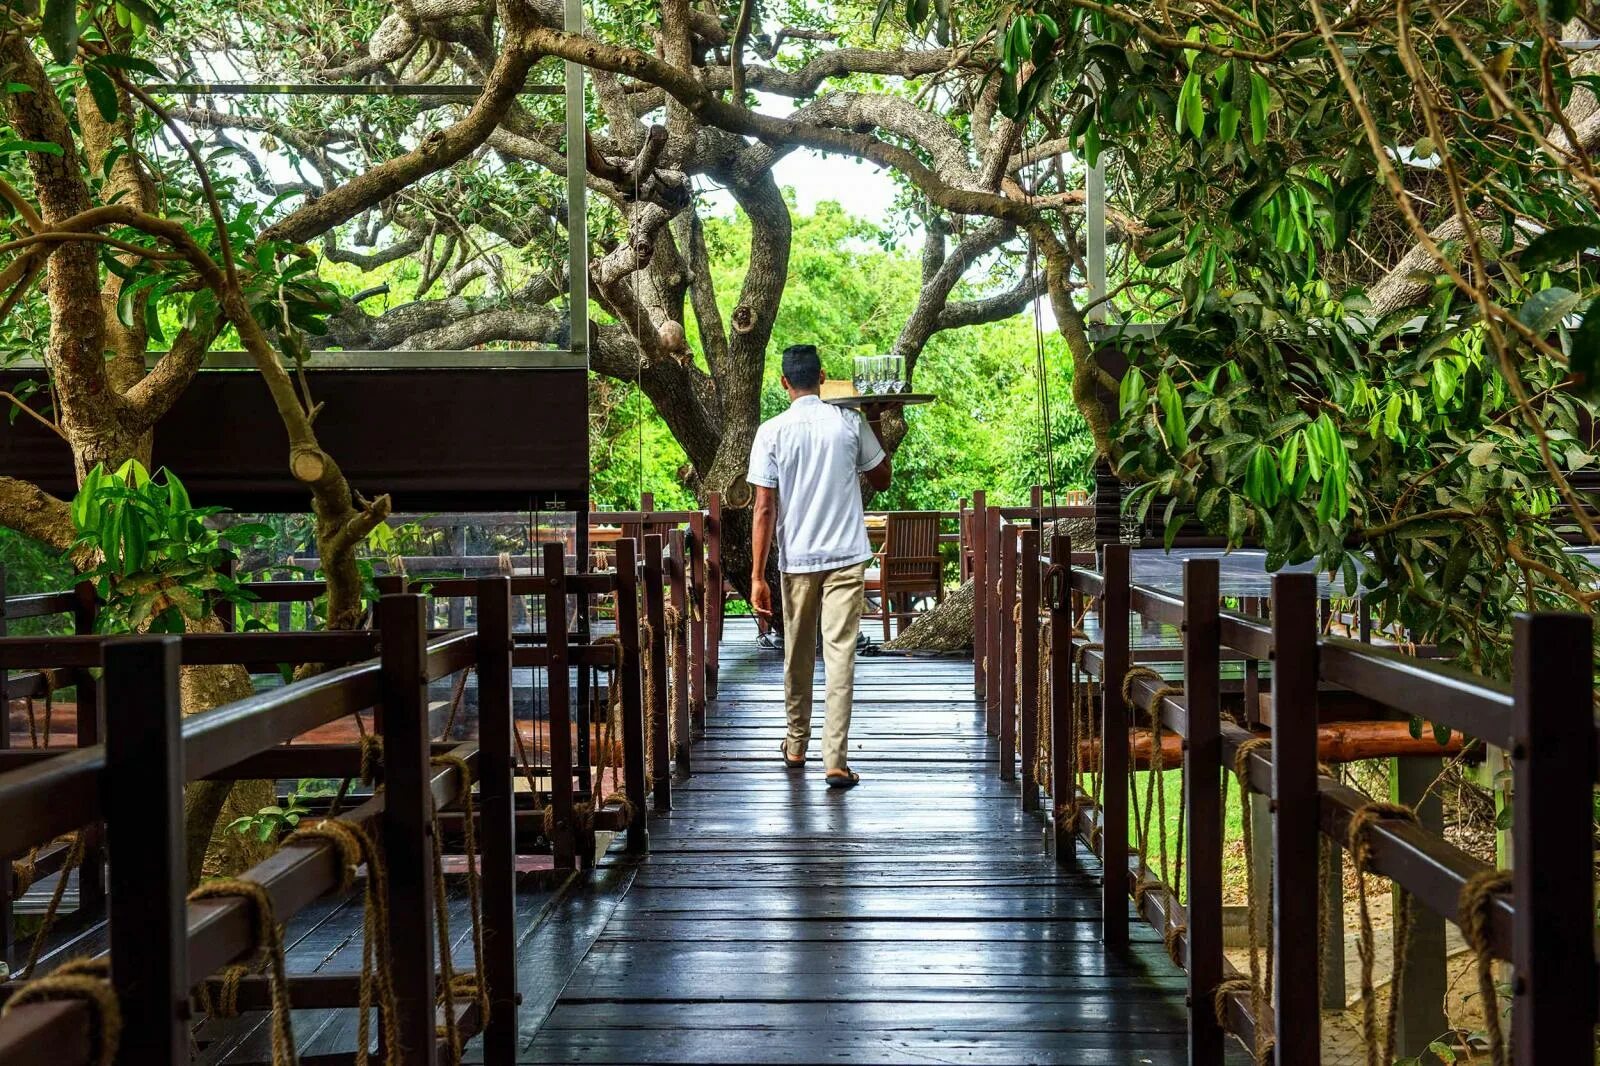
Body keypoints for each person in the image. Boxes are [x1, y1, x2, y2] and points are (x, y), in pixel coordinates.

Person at [747, 344, 892, 789]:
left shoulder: (771, 431)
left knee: (797, 651)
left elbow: (764, 508)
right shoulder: (849, 422)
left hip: (799, 558)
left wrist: (756, 576)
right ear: (824, 376)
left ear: (784, 382)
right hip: (847, 555)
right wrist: (871, 415)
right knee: (840, 654)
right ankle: (836, 758)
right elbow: (882, 480)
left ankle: (796, 743)